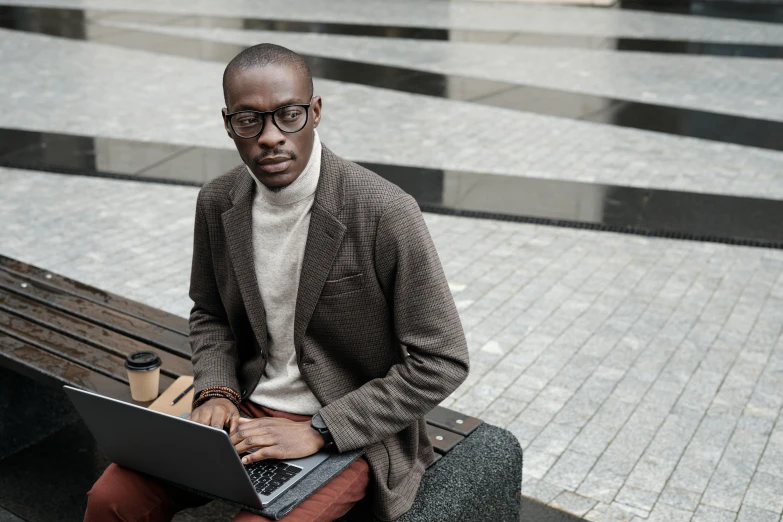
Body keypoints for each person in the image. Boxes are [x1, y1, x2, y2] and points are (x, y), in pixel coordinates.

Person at [84, 43, 469, 522]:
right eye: (249, 121)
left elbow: (442, 359)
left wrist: (322, 429)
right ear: (228, 124)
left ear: (316, 112)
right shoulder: (218, 202)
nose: (270, 137)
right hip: (242, 410)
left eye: (289, 115)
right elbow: (210, 313)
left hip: (347, 431)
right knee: (112, 498)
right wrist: (218, 390)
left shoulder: (383, 211)